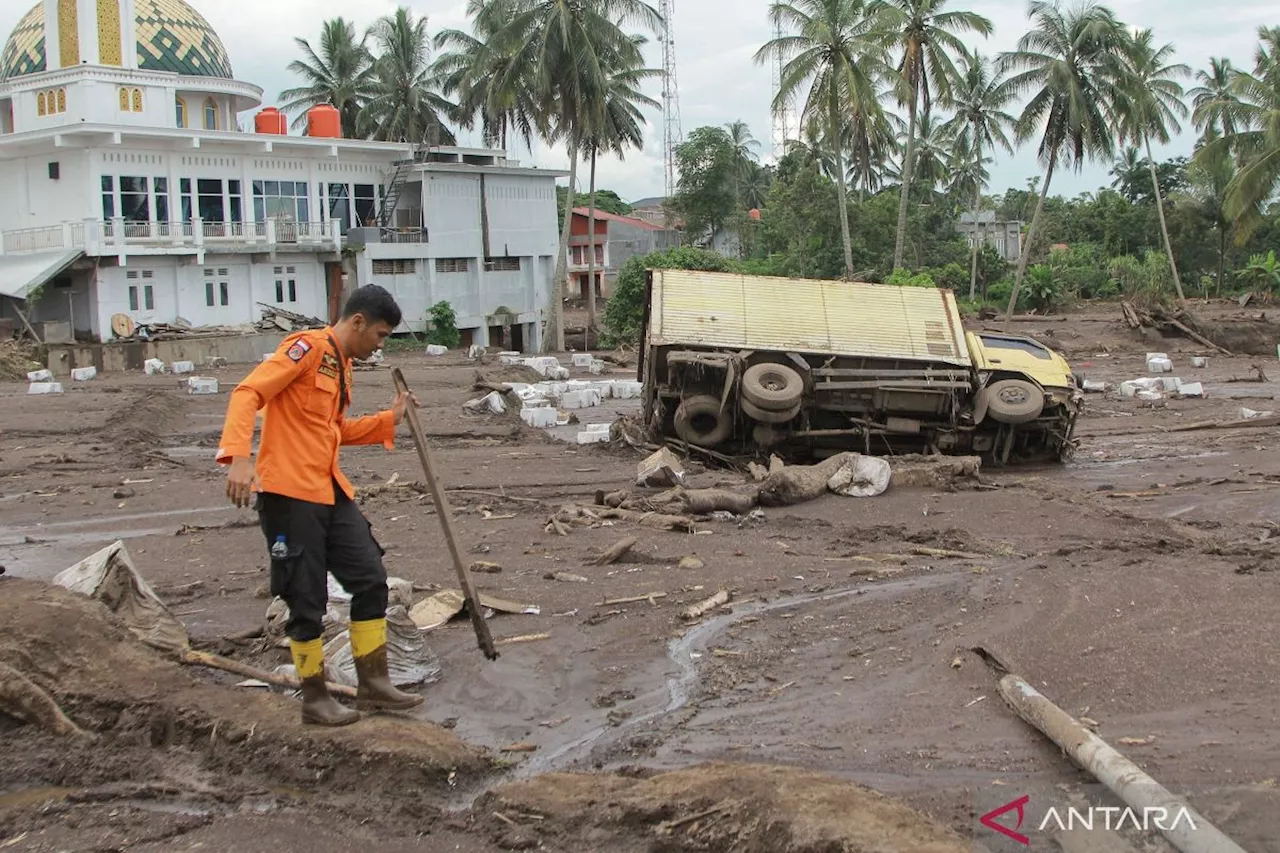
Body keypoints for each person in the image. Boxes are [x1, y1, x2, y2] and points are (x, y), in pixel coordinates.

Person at [216, 284, 423, 726]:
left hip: (329, 491)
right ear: (358, 322)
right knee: (305, 597)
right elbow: (247, 393)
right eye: (381, 335)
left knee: (370, 577)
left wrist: (390, 420)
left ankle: (373, 684)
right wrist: (238, 456)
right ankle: (315, 699)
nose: (380, 346)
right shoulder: (305, 349)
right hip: (288, 495)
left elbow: (333, 431)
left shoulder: (342, 367)